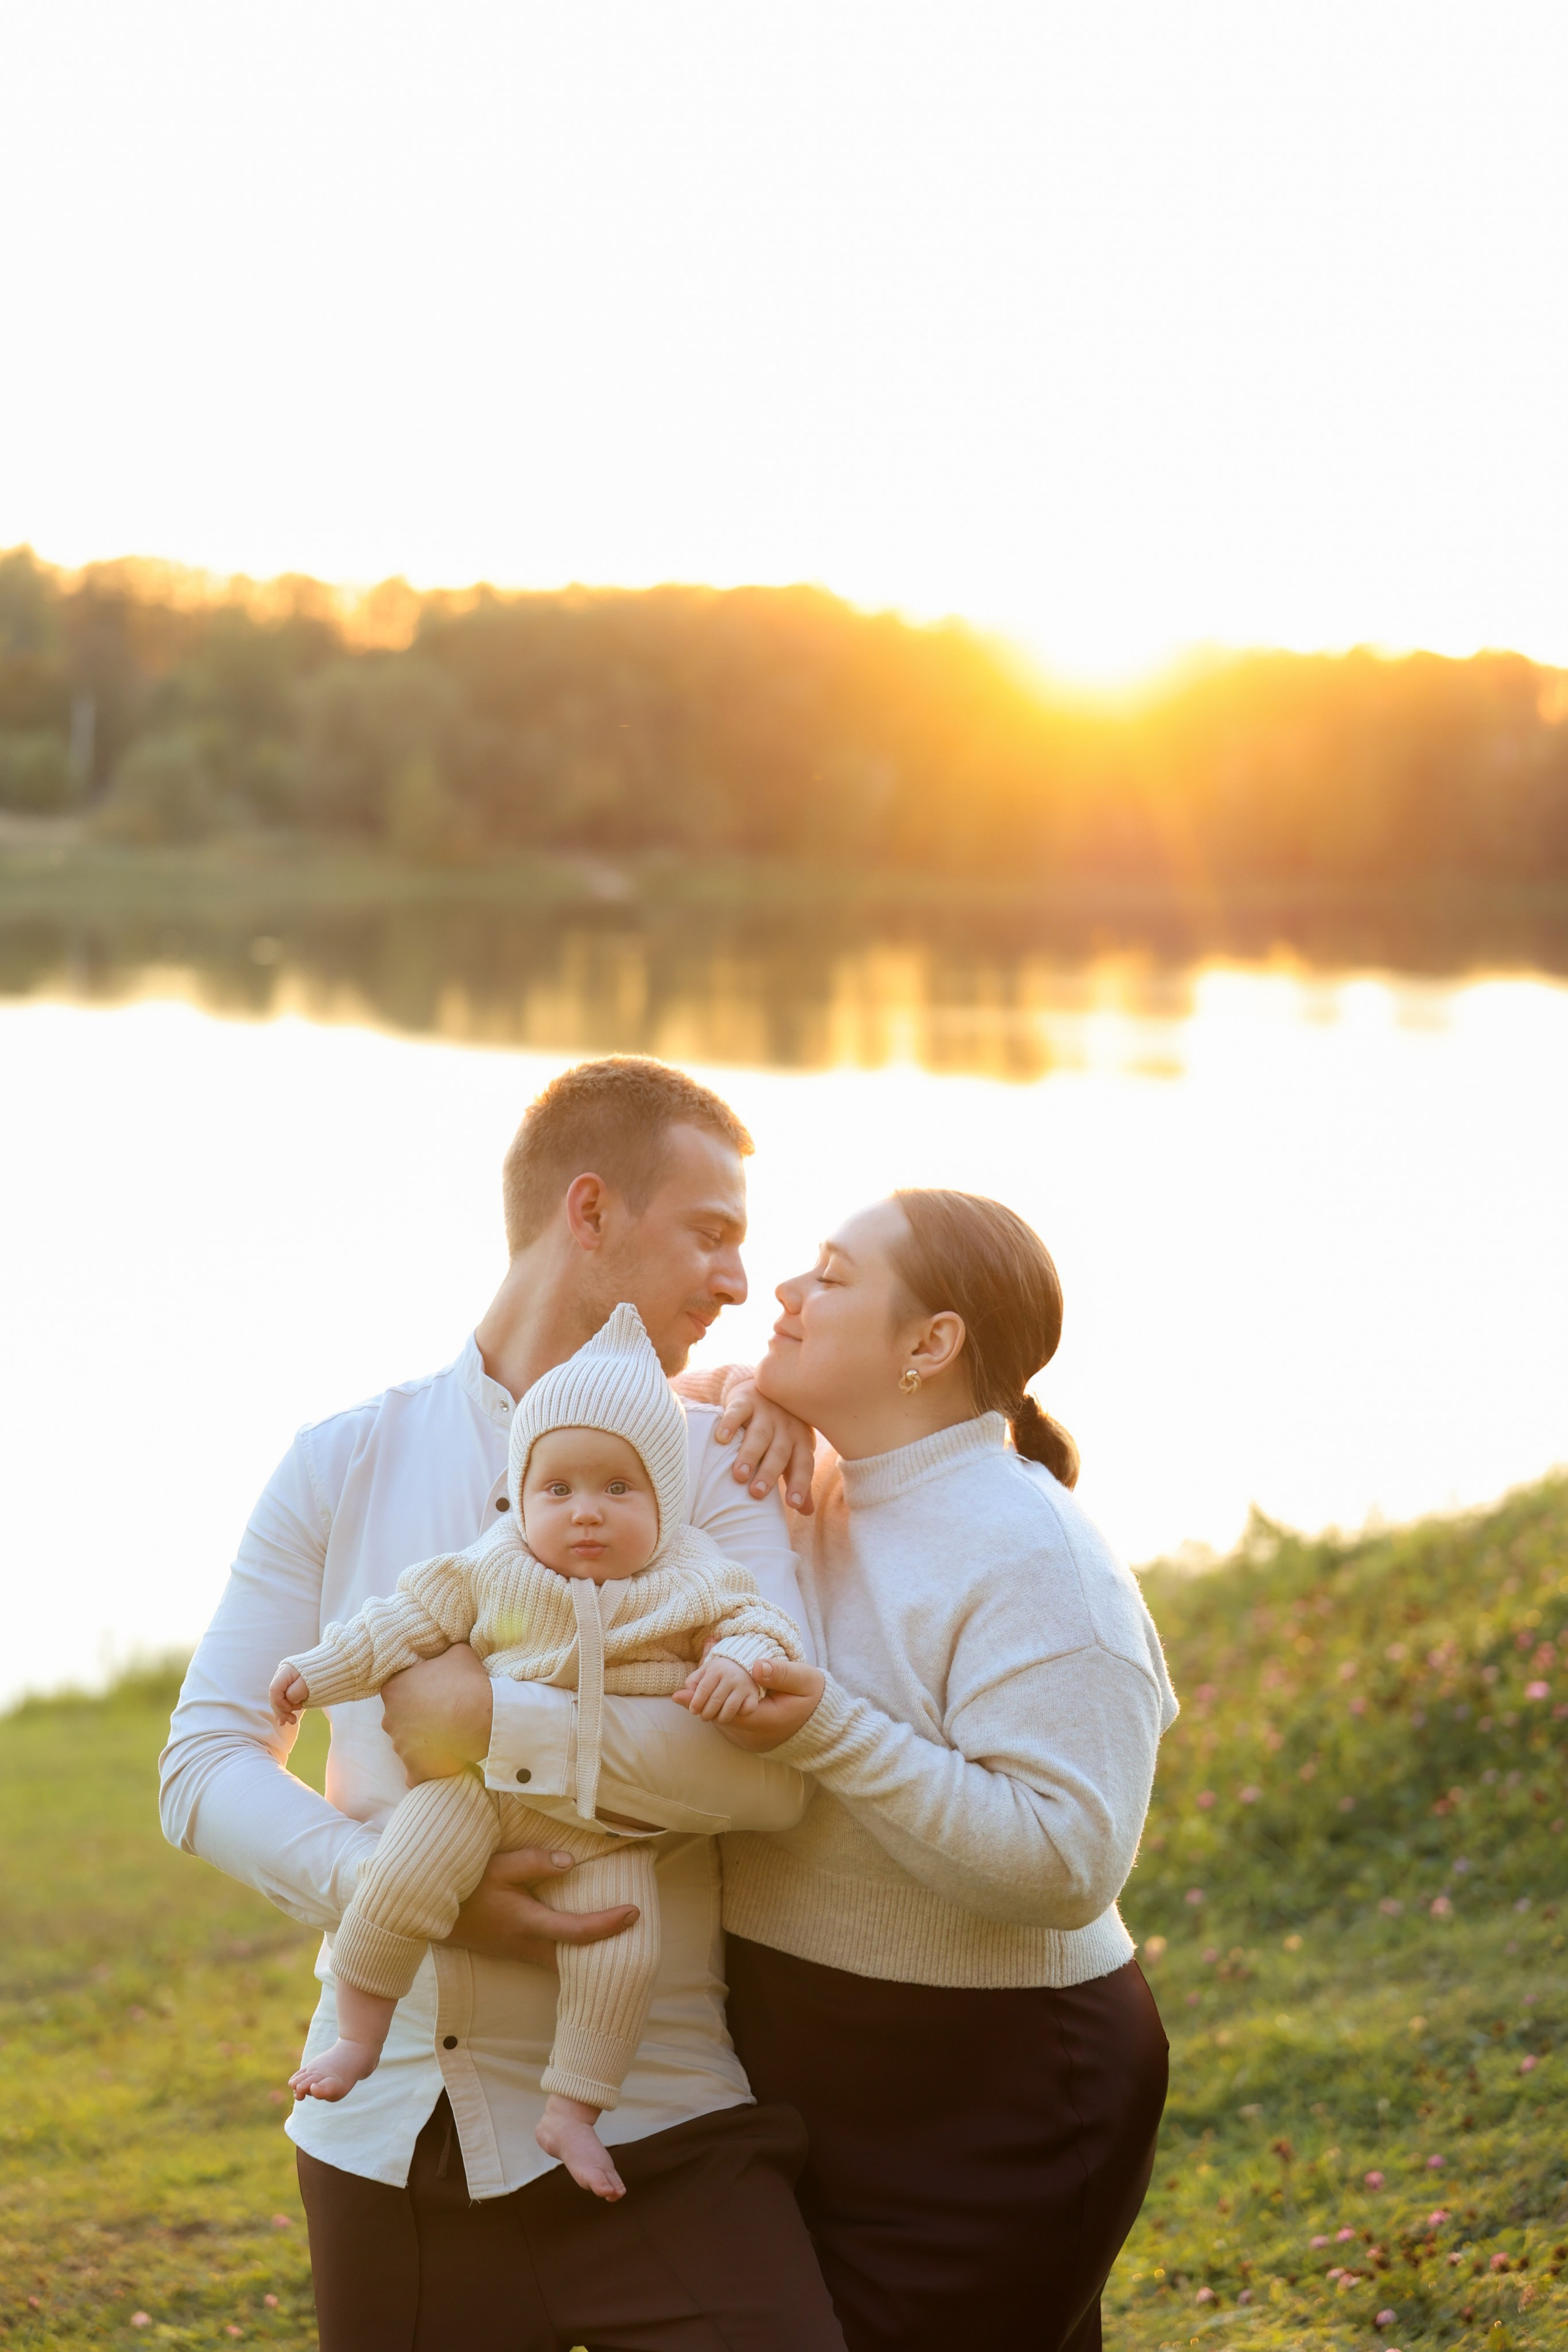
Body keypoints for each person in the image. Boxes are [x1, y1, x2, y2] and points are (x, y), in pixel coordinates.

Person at [159, 1057, 845, 2352]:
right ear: (589, 1212)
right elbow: (204, 1760)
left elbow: (773, 1772)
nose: (738, 1283)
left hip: (660, 2120)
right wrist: (400, 1888)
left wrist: (491, 1731)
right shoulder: (342, 1459)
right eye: (710, 1233)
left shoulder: (723, 1466)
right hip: (387, 2137)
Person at [690, 1188, 1179, 2352]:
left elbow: (1067, 1862)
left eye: (829, 1277)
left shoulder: (1038, 1559)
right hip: (789, 2037)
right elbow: (595, 1415)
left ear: (932, 1343)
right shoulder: (807, 1477)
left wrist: (830, 1728)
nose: (782, 1292)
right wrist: (745, 1389)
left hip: (992, 2077)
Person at [272, 1302, 804, 2203]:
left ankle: (574, 2110)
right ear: (522, 1496)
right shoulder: (493, 1565)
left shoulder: (692, 1576)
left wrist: (738, 1662)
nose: (586, 1513)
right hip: (476, 1793)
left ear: (664, 1502)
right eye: (558, 1489)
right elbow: (398, 1625)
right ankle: (359, 2035)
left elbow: (759, 1625)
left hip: (606, 1824)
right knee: (402, 1872)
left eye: (617, 1489)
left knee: (621, 1954)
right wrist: (316, 1674)